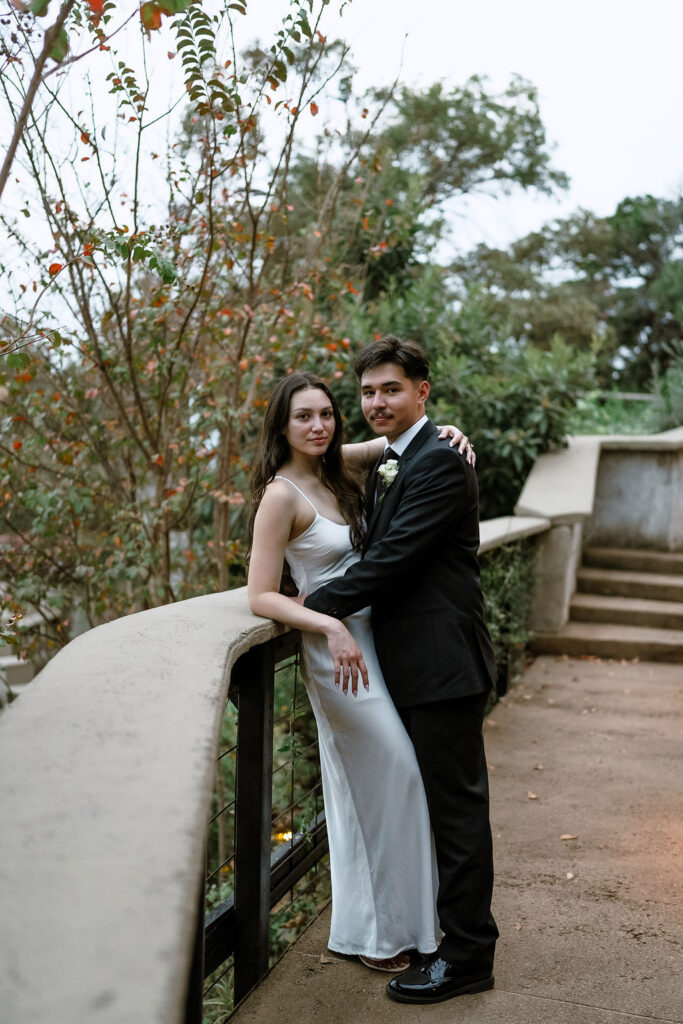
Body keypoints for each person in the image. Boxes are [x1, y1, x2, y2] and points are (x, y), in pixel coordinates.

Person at [247, 370, 473, 972]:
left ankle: (402, 927)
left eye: (326, 413)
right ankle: (379, 937)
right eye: (303, 417)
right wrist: (328, 625)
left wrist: (451, 432)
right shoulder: (281, 495)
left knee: (387, 789)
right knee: (394, 775)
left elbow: (406, 440)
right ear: (282, 424)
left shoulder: (335, 465)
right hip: (337, 653)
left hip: (381, 643)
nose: (317, 426)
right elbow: (261, 596)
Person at [303, 335, 499, 1004]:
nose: (376, 402)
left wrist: (307, 607)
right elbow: (324, 456)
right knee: (435, 807)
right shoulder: (397, 457)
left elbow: (391, 563)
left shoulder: (440, 463)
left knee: (456, 814)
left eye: (390, 389)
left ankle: (469, 955)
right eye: (366, 392)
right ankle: (446, 937)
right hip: (412, 664)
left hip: (441, 664)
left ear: (422, 389)